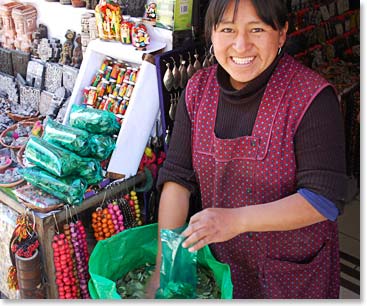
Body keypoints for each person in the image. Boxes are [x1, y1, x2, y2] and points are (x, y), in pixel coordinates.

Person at [147, 0, 348, 299]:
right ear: (211, 34)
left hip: (290, 275)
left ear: (281, 34)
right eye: (227, 29)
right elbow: (177, 179)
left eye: (257, 29)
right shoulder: (197, 90)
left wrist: (236, 220)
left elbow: (323, 198)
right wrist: (164, 266)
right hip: (223, 266)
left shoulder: (311, 98)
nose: (241, 45)